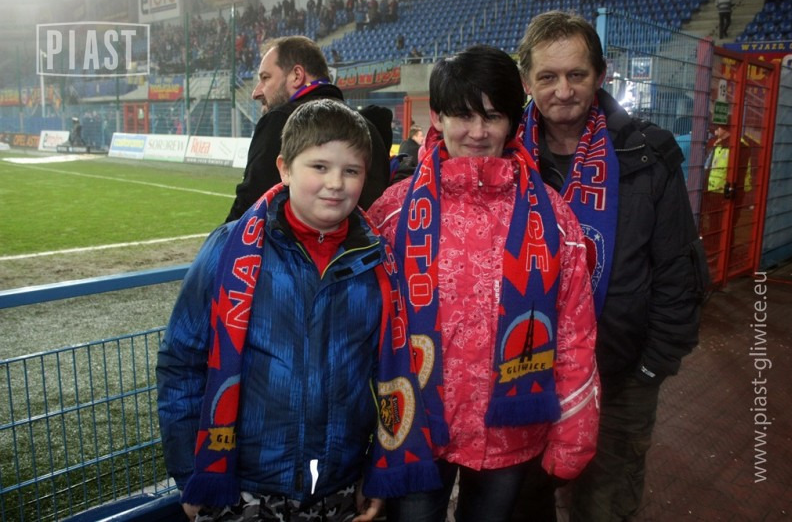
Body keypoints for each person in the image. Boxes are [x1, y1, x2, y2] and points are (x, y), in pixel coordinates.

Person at [157, 99, 438, 522]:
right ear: (285, 168)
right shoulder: (228, 250)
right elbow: (181, 362)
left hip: (341, 486)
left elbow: (389, 378)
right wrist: (189, 473)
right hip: (239, 486)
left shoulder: (379, 263)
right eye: (319, 167)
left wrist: (375, 469)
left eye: (351, 171)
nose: (335, 184)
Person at [366, 45, 600, 522]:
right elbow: (361, 326)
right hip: (415, 427)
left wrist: (575, 431)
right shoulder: (392, 212)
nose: (477, 132)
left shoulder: (554, 217)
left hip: (509, 431)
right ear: (437, 117)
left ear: (511, 122)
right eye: (463, 115)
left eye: (492, 117)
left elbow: (574, 331)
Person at [514, 11, 709, 521]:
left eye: (576, 74)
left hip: (619, 379)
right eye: (547, 76)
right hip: (522, 376)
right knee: (525, 504)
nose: (563, 91)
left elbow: (678, 270)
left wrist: (650, 368)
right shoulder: (504, 155)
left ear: (600, 75)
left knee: (604, 506)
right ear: (526, 81)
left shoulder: (648, 153)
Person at [224, 36, 391, 223]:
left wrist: (221, 240)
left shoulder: (281, 121)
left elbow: (250, 210)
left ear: (297, 75)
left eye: (265, 78)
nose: (256, 92)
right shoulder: (370, 128)